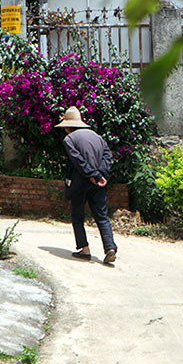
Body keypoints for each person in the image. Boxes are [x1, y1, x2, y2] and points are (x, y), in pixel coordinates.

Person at [54, 106, 118, 264]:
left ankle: (84, 249)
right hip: (98, 182)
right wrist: (100, 174)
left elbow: (78, 161)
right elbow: (108, 155)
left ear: (68, 126)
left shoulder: (69, 139)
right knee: (102, 216)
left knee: (77, 216)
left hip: (80, 182)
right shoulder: (97, 136)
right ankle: (110, 248)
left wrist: (92, 175)